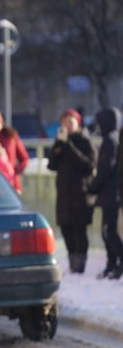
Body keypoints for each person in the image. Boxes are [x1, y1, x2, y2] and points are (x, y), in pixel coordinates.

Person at [46, 108, 97, 274]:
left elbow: (88, 164)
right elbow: (51, 165)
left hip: (80, 193)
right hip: (64, 195)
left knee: (79, 230)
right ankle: (72, 260)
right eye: (64, 122)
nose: (67, 126)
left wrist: (69, 146)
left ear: (78, 123)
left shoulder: (85, 141)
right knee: (66, 228)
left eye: (71, 122)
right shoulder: (61, 141)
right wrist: (59, 145)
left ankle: (80, 263)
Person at [90, 107, 123, 279]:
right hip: (111, 193)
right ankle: (112, 263)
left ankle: (117, 263)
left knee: (109, 231)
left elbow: (106, 168)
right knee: (108, 231)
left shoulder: (110, 140)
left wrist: (92, 187)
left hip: (111, 194)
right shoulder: (113, 138)